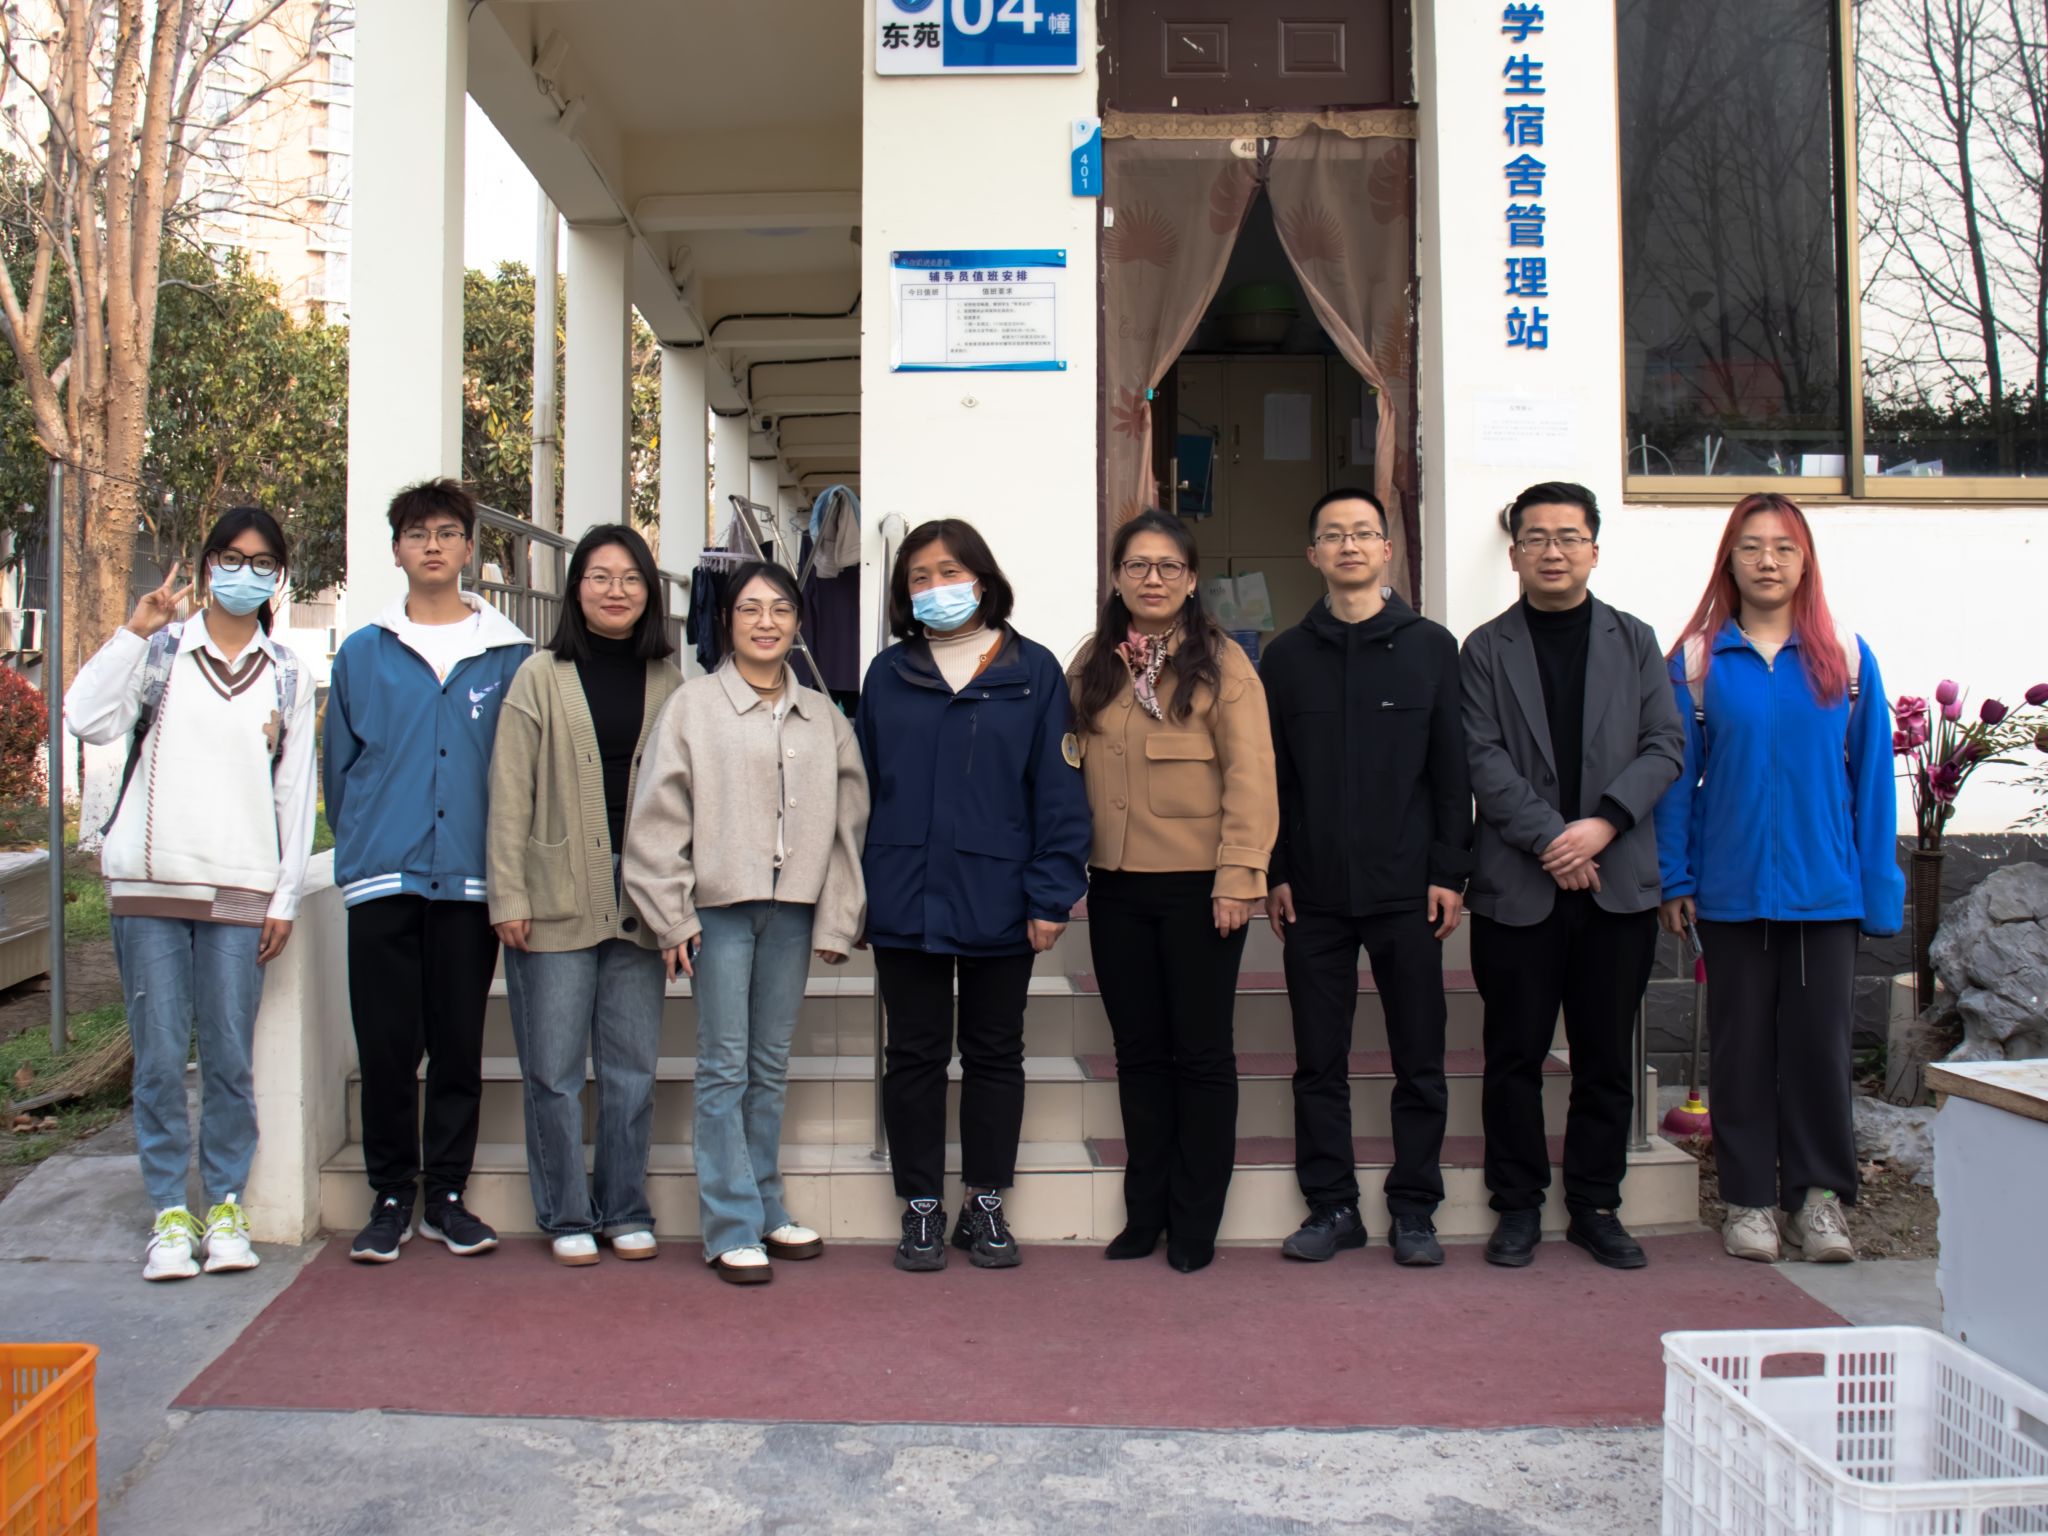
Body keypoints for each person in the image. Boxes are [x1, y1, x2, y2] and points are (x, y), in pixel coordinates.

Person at [65, 509, 317, 1282]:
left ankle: (226, 1206)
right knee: (160, 1059)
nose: (245, 573)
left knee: (230, 1059)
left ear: (277, 577)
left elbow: (294, 793)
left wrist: (283, 898)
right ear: (208, 565)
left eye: (262, 562)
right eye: (231, 557)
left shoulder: (286, 672)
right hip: (150, 886)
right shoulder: (161, 653)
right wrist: (132, 631)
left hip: (240, 891)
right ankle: (170, 1213)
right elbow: (85, 717)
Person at [1655, 493, 1902, 1265]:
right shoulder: (1698, 663)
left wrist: (1876, 889)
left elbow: (1873, 784)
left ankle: (1818, 1202)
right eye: (1752, 546)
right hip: (1730, 894)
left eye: (1784, 547)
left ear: (1805, 562)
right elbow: (1675, 781)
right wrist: (1674, 879)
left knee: (1820, 1052)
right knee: (1740, 1055)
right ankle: (1749, 1201)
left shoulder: (1847, 659)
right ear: (1729, 560)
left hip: (1824, 892)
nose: (1768, 561)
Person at [1459, 483, 1685, 1271]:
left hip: (1616, 884)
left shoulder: (1636, 641)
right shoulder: (1485, 649)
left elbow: (1665, 745)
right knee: (1513, 1056)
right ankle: (1517, 1203)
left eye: (1568, 536)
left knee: (1604, 1057)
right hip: (1518, 887)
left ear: (1594, 548)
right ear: (1514, 553)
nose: (1552, 551)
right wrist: (1554, 839)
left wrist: (1604, 824)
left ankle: (1595, 1203)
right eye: (1535, 538)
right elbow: (1480, 755)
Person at [626, 561, 869, 1284]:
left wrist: (837, 919)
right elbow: (657, 817)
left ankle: (766, 1207)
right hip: (718, 913)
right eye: (750, 609)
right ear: (726, 621)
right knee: (724, 1066)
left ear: (798, 622)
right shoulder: (693, 707)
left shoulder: (825, 717)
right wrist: (672, 917)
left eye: (781, 609)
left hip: (792, 912)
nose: (767, 622)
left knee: (769, 1065)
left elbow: (848, 826)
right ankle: (729, 1225)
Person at [857, 519, 1090, 1273]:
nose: (937, 588)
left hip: (1001, 897)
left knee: (994, 1053)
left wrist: (1052, 895)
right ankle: (921, 1205)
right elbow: (861, 792)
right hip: (904, 895)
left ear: (983, 580)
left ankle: (984, 1199)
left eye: (950, 572)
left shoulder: (1034, 670)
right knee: (913, 1054)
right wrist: (855, 893)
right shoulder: (888, 674)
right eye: (919, 577)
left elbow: (1059, 792)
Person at [1262, 488, 1471, 1267]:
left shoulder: (1431, 647)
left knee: (1420, 1058)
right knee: (1318, 1061)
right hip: (1312, 894)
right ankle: (1333, 1206)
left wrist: (1450, 870)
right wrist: (1276, 869)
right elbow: (1273, 778)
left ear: (1387, 549)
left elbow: (1452, 772)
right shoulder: (1285, 657)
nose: (1348, 545)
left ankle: (1415, 1210)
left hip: (1407, 890)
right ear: (1312, 554)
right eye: (1332, 535)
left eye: (1362, 533)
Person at [325, 478, 531, 1264]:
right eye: (418, 534)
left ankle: (446, 1194)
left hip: (471, 883)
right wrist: (367, 843)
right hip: (385, 877)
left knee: (457, 1046)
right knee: (385, 1048)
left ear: (470, 547)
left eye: (447, 532)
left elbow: (520, 770)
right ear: (397, 550)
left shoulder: (509, 655)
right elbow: (339, 769)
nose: (434, 545)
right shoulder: (364, 651)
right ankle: (388, 1195)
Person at [1067, 510, 1277, 1273]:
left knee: (1201, 1054)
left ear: (1191, 581)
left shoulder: (1222, 664)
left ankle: (1195, 1220)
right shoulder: (1094, 662)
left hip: (1200, 890)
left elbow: (1251, 775)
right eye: (1137, 565)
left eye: (1168, 566)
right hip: (1116, 887)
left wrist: (1240, 877)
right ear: (1117, 577)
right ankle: (1145, 1210)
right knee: (1138, 1054)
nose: (1151, 578)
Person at [487, 525, 681, 1266]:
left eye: (631, 578)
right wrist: (508, 892)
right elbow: (510, 791)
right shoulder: (540, 675)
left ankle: (625, 1206)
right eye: (599, 577)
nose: (615, 591)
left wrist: (678, 901)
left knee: (631, 1070)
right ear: (576, 590)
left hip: (640, 900)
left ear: (649, 593)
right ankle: (567, 1211)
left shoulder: (670, 681)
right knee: (554, 1070)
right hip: (553, 895)